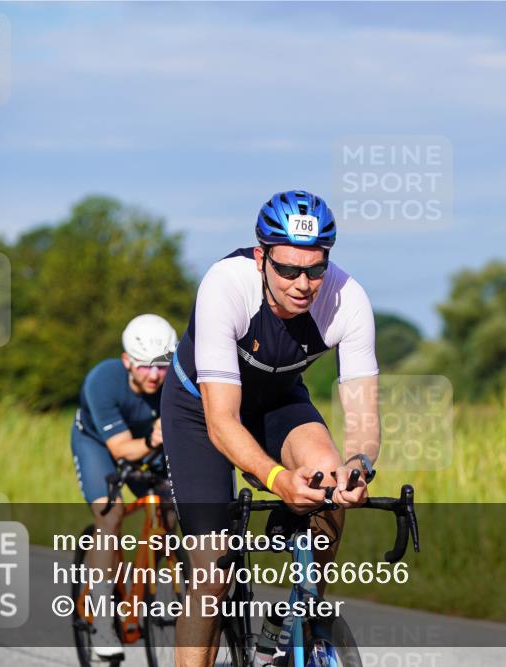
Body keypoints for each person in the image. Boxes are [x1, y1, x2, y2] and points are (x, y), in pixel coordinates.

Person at [161, 190, 381, 667]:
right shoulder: (225, 285)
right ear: (261, 258)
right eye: (287, 270)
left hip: (278, 400)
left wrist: (359, 465)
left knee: (328, 477)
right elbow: (222, 421)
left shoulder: (348, 299)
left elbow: (364, 415)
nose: (303, 284)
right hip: (200, 409)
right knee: (212, 571)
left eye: (315, 270)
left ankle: (296, 626)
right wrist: (278, 480)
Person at [71, 313, 177, 660]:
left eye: (162, 366)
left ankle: (164, 589)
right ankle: (103, 619)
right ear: (127, 361)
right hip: (99, 445)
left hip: (152, 444)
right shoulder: (102, 381)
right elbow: (119, 449)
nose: (154, 375)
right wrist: (153, 438)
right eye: (145, 366)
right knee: (111, 514)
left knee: (172, 509)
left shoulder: (176, 381)